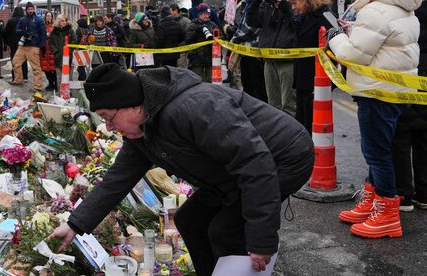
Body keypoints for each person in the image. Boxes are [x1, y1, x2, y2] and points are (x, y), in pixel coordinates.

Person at [49, 63, 314, 275]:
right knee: (190, 220)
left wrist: (261, 239)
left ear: (132, 104)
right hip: (232, 169)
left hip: (283, 156)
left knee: (226, 231)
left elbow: (254, 162)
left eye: (108, 118)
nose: (109, 128)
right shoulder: (141, 131)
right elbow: (116, 181)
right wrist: (75, 225)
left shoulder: (192, 107)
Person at [330, 0, 423, 239]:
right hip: (396, 92)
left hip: (375, 92)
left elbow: (353, 54)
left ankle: (386, 214)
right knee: (382, 149)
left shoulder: (374, 11)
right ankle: (374, 202)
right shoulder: (405, 9)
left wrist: (337, 37)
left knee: (376, 153)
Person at [394, 0, 427, 211]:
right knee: (424, 137)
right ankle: (424, 194)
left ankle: (404, 194)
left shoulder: (405, 11)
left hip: (407, 76)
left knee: (401, 135)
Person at [287, 0, 332, 134]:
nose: (293, 7)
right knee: (303, 123)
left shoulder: (326, 17)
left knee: (313, 125)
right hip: (303, 79)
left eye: (295, 3)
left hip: (317, 82)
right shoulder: (303, 17)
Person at [247, 0, 297, 116]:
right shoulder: (268, 1)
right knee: (273, 106)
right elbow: (251, 21)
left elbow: (299, 24)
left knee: (289, 105)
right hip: (269, 60)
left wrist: (286, 8)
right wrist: (257, 0)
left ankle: (291, 130)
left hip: (289, 60)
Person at [230, 0, 268, 103]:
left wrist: (234, 37)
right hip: (246, 52)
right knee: (248, 86)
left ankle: (259, 113)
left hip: (255, 53)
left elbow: (251, 29)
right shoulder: (248, 2)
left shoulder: (260, 2)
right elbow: (242, 24)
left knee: (258, 89)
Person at [10, 2, 47, 92]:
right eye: (28, 9)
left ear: (34, 10)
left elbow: (43, 34)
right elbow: (17, 30)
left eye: (31, 9)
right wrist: (23, 32)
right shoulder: (22, 19)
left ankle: (38, 86)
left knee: (35, 67)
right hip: (23, 45)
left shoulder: (39, 20)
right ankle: (18, 80)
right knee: (15, 62)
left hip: (34, 46)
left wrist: (43, 45)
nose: (30, 11)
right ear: (26, 10)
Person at [185, 4, 218, 82]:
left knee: (210, 82)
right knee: (197, 82)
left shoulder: (213, 25)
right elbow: (187, 39)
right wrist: (196, 32)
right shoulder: (192, 25)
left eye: (208, 14)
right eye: (205, 13)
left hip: (210, 58)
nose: (207, 16)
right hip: (196, 59)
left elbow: (220, 37)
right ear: (199, 14)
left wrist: (214, 37)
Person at [49, 14, 77, 89]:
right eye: (62, 21)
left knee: (69, 78)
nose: (64, 22)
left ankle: (69, 92)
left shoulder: (70, 31)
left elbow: (74, 41)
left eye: (65, 20)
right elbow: (51, 43)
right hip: (58, 58)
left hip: (69, 58)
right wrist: (55, 51)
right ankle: (60, 93)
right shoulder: (54, 32)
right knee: (59, 78)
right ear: (58, 22)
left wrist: (69, 51)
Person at [4, 7, 28, 81]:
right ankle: (24, 76)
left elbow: (5, 33)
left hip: (13, 44)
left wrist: (7, 42)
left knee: (14, 60)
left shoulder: (11, 21)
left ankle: (15, 76)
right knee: (23, 60)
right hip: (23, 43)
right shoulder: (25, 20)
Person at [170, 4, 192, 68]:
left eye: (170, 11)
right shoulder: (171, 20)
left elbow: (190, 35)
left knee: (182, 69)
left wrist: (183, 43)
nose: (170, 13)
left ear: (175, 10)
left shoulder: (186, 21)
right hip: (173, 50)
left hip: (183, 50)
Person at [41, 11, 57, 91]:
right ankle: (50, 83)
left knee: (54, 68)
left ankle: (55, 83)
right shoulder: (42, 26)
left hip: (52, 50)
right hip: (44, 50)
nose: (49, 17)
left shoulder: (55, 27)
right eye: (47, 16)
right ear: (45, 17)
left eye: (50, 16)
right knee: (46, 68)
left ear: (52, 17)